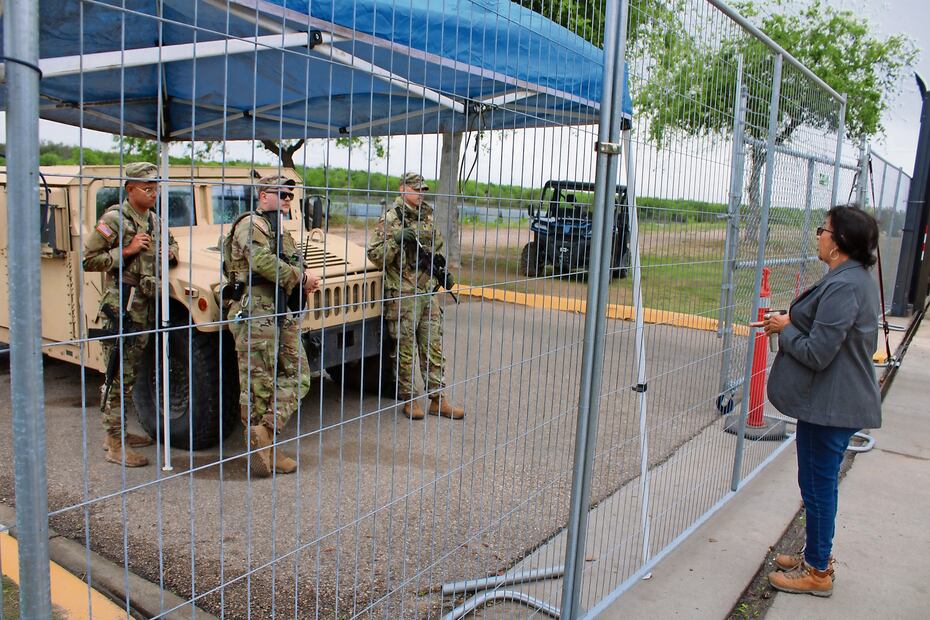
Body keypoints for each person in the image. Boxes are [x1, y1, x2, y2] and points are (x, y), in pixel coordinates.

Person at [764, 205, 882, 597]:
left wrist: (785, 329)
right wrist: (793, 321)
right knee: (816, 484)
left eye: (824, 230)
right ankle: (816, 555)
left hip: (831, 407)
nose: (819, 235)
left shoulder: (847, 285)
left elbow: (818, 352)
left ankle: (817, 571)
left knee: (817, 487)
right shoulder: (849, 278)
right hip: (830, 403)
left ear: (840, 241)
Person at [83, 161, 178, 467]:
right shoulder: (114, 219)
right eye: (147, 189)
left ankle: (120, 433)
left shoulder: (153, 219)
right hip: (122, 305)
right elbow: (89, 260)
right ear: (130, 189)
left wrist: (170, 252)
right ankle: (114, 443)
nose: (153, 194)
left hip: (146, 306)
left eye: (156, 189)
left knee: (133, 374)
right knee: (117, 375)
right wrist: (127, 250)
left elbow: (172, 243)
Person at [225, 175, 321, 477]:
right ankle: (264, 452)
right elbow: (261, 262)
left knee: (299, 375)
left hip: (280, 313)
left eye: (290, 196)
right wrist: (300, 277)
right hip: (256, 312)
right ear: (263, 196)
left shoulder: (279, 229)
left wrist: (302, 278)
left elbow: (293, 261)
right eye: (281, 194)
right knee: (258, 386)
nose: (287, 200)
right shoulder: (250, 225)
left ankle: (265, 434)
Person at [367, 172, 464, 420]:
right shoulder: (391, 219)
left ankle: (438, 399)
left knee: (433, 345)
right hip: (403, 293)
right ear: (402, 189)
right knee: (405, 348)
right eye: (416, 189)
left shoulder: (427, 217)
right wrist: (397, 241)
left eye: (423, 190)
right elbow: (375, 256)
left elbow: (437, 249)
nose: (421, 194)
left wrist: (442, 275)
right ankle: (409, 399)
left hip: (427, 292)